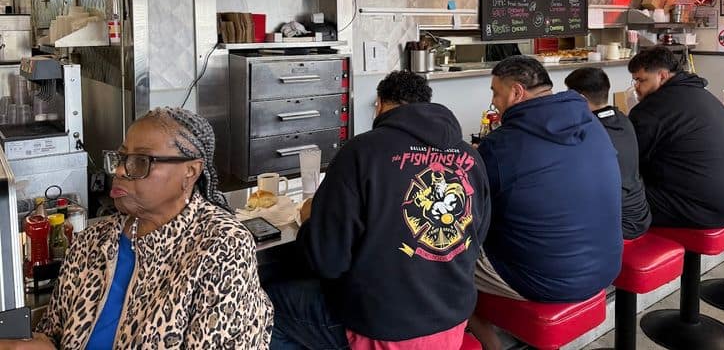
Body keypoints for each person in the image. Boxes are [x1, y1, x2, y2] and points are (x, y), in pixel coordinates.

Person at [0, 107, 273, 350]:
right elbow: (53, 330)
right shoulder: (93, 240)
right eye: (121, 158)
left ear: (190, 172)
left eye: (141, 161)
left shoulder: (221, 245)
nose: (119, 171)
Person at [267, 70, 491, 350]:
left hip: (382, 330)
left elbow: (326, 261)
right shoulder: (471, 158)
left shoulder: (361, 152)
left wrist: (311, 220)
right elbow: (475, 238)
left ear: (380, 105)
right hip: (452, 323)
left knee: (265, 304)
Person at [469, 56, 622, 350]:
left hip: (547, 280)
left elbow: (475, 207)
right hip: (606, 268)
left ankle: (492, 345)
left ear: (516, 92)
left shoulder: (501, 145)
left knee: (446, 260)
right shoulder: (589, 122)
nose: (494, 101)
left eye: (495, 92)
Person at [628, 46, 724, 228]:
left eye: (641, 80)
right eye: (634, 80)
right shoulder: (703, 94)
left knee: (623, 197)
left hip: (711, 209)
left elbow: (630, 160)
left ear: (662, 76)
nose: (636, 87)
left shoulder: (651, 110)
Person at [565, 66, 652, 239]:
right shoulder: (622, 119)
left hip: (620, 224)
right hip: (640, 214)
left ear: (580, 99)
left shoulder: (590, 133)